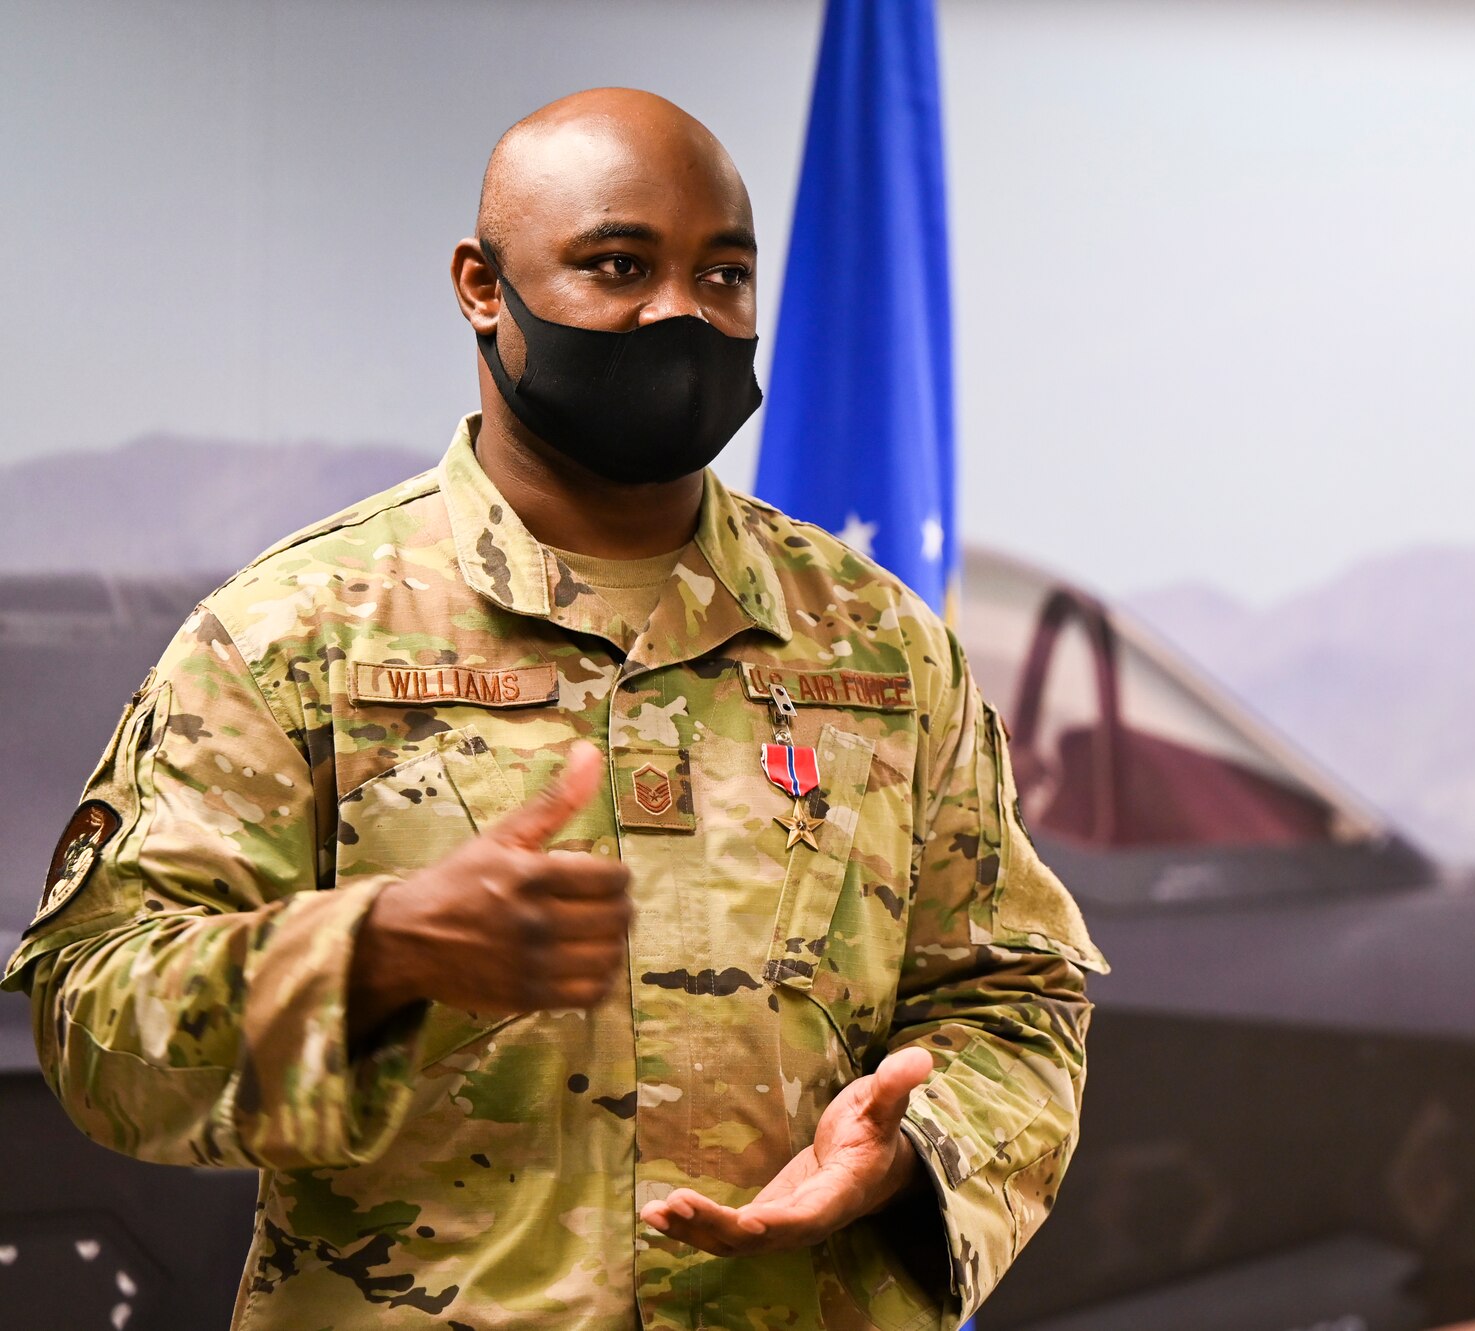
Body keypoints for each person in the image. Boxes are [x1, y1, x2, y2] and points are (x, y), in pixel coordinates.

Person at [2, 87, 1105, 1331]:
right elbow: (96, 1025)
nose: (680, 312)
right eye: (618, 264)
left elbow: (1014, 999)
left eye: (725, 275)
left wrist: (912, 1153)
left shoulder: (881, 644)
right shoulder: (298, 632)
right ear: (483, 285)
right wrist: (376, 952)